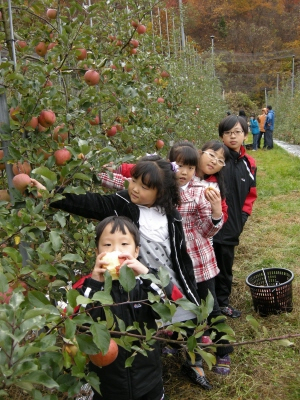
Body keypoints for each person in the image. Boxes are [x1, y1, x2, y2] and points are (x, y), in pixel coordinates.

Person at [30, 155, 212, 390]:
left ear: (162, 192)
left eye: (145, 187)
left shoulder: (171, 215)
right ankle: (147, 368)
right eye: (134, 180)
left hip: (171, 279)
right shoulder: (123, 205)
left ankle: (193, 362)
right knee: (147, 327)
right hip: (141, 285)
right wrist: (51, 194)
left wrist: (189, 284)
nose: (135, 189)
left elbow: (180, 256)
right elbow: (89, 203)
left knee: (188, 323)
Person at [74, 216, 165, 399]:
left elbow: (163, 306)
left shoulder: (145, 283)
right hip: (108, 382)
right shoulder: (90, 287)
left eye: (124, 244)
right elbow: (80, 321)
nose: (116, 250)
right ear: (97, 251)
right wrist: (95, 283)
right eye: (107, 245)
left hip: (148, 377)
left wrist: (145, 273)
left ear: (136, 251)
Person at [213, 115, 257, 318]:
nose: (233, 136)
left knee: (225, 264)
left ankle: (222, 303)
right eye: (228, 133)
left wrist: (244, 216)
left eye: (237, 132)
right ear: (222, 136)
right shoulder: (216, 159)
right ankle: (208, 304)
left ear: (245, 135)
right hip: (210, 223)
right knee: (207, 264)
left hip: (232, 225)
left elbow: (251, 193)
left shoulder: (249, 163)